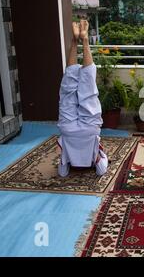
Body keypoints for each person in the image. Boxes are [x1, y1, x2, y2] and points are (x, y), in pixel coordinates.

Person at [57, 20, 108, 177]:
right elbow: (62, 172)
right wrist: (100, 156)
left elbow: (101, 170)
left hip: (88, 130)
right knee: (68, 90)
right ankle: (77, 40)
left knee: (88, 89)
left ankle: (83, 41)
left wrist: (100, 155)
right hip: (69, 130)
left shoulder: (94, 156)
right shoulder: (68, 160)